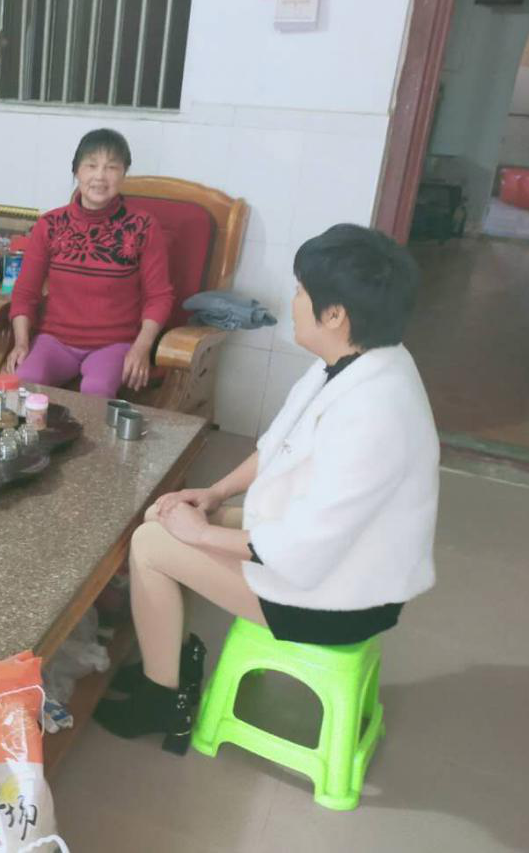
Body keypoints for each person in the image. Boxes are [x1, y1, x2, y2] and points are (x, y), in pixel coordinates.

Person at [93, 224, 438, 754]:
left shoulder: (375, 410)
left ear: (335, 314)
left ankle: (163, 699)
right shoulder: (353, 364)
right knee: (163, 518)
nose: (293, 301)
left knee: (153, 543)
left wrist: (201, 534)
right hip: (328, 552)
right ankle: (170, 662)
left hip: (340, 595)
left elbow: (305, 548)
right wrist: (212, 495)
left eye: (301, 290)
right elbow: (278, 447)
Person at [4, 128, 174, 398]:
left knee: (95, 389)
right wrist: (21, 343)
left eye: (111, 167)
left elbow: (159, 297)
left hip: (114, 344)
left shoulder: (143, 226)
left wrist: (141, 348)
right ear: (76, 171)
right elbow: (26, 292)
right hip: (55, 341)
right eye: (91, 165)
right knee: (23, 384)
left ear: (124, 173)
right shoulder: (50, 225)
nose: (100, 176)